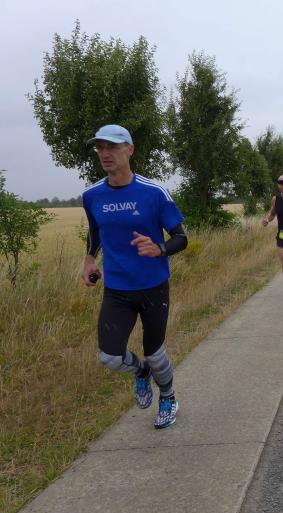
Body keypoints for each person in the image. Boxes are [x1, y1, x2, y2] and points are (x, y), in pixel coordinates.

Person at [81, 124, 187, 430]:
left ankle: (168, 396)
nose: (105, 153)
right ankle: (141, 373)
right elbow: (95, 232)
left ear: (130, 150)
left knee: (156, 354)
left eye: (112, 147)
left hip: (153, 286)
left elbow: (181, 238)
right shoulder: (92, 195)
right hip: (117, 289)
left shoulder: (154, 193)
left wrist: (159, 248)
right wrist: (90, 259)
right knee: (110, 357)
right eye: (100, 147)